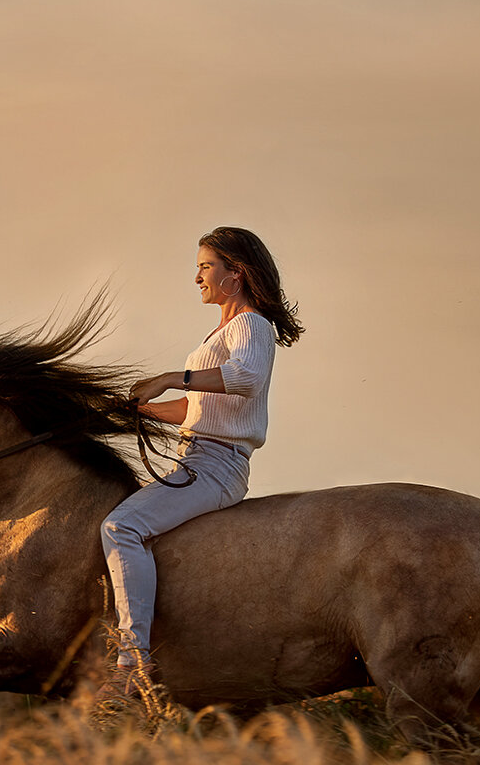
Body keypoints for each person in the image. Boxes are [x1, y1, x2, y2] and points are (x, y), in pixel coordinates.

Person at [99, 226, 304, 692]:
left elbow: (246, 379)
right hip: (199, 456)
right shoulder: (227, 329)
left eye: (205, 267)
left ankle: (132, 665)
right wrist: (140, 411)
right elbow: (197, 410)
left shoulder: (251, 325)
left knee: (121, 527)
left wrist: (172, 376)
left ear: (236, 274)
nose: (197, 277)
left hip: (216, 464)